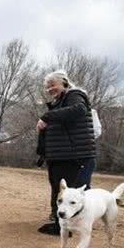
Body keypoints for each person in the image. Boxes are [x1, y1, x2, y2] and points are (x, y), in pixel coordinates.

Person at [36, 70, 96, 235]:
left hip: (74, 156)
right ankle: (60, 223)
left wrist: (47, 116)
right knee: (59, 190)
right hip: (60, 156)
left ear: (64, 83)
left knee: (71, 191)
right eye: (47, 87)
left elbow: (79, 110)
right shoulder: (59, 103)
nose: (50, 89)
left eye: (52, 85)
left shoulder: (74, 95)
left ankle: (65, 225)